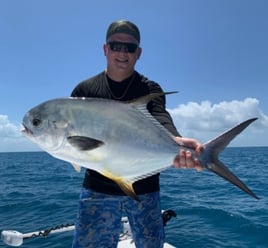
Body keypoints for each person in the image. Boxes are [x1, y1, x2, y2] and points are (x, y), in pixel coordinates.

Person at [71, 20, 203, 248]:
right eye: (115, 46)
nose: (122, 53)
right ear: (105, 49)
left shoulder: (149, 89)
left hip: (144, 187)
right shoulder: (85, 91)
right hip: (98, 188)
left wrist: (175, 142)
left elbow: (161, 118)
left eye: (129, 48)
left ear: (138, 53)